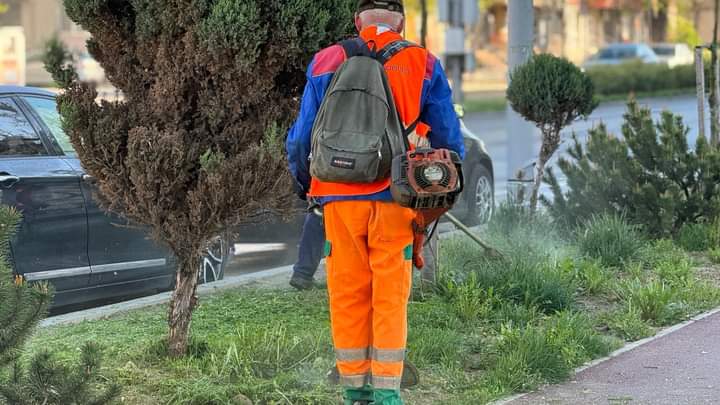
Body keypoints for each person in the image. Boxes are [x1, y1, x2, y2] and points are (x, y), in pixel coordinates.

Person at [286, 1, 464, 404]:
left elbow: (300, 138)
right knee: (389, 294)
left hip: (337, 198)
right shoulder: (422, 61)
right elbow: (449, 140)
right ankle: (387, 394)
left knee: (347, 291)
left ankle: (354, 389)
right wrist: (444, 188)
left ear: (357, 20)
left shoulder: (327, 59)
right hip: (395, 200)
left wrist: (306, 184)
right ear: (400, 21)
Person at [289, 208, 324, 291]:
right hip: (349, 200)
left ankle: (302, 274)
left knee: (316, 216)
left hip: (322, 198)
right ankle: (344, 276)